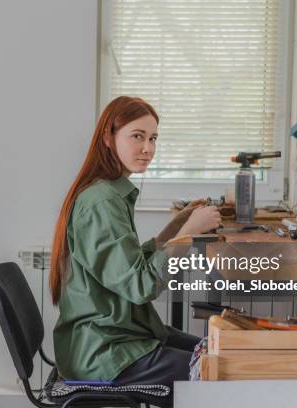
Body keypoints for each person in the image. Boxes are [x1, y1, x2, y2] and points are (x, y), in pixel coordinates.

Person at [50, 96, 221, 391]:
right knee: (219, 369)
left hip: (114, 339)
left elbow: (128, 266)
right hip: (103, 353)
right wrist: (188, 234)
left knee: (217, 351)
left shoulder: (110, 193)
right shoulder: (101, 201)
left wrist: (174, 228)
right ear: (108, 136)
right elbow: (140, 285)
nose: (148, 148)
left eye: (153, 138)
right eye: (138, 136)